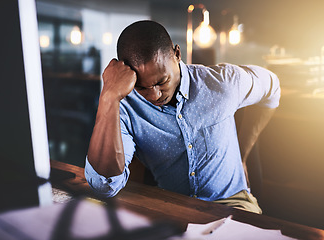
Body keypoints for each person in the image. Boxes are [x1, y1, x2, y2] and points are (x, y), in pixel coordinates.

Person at [85, 20, 280, 214]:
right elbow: (104, 186)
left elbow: (272, 86)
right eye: (141, 87)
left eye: (162, 81)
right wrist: (108, 96)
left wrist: (244, 151)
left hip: (232, 204)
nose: (154, 96)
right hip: (172, 208)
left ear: (177, 54)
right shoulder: (125, 106)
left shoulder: (223, 83)